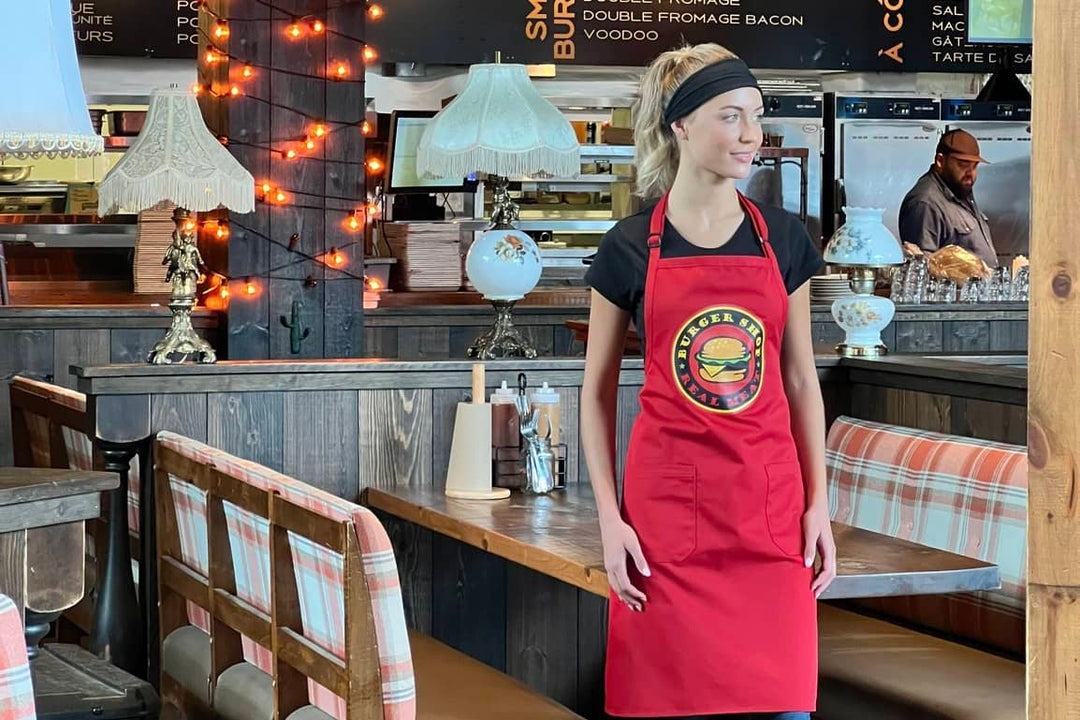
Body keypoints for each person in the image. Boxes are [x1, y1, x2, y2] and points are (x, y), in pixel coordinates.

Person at [580, 43, 836, 720]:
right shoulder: (630, 246)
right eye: (730, 116)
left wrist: (819, 504)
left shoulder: (785, 239)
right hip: (665, 525)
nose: (751, 134)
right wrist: (610, 521)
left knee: (782, 707)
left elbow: (801, 381)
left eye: (756, 116)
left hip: (769, 517)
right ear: (681, 126)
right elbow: (597, 392)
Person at [898, 128, 998, 268]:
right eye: (963, 165)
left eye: (974, 166)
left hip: (977, 288)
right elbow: (922, 269)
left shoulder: (960, 189)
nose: (971, 173)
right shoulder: (925, 203)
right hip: (954, 290)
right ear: (940, 161)